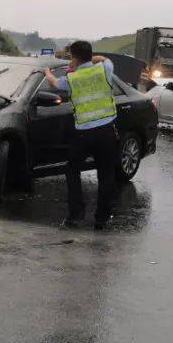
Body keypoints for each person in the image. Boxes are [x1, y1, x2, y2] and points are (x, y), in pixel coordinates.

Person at [43, 40, 119, 229]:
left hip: (84, 134)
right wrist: (90, 59)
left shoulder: (71, 78)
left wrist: (47, 73)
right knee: (107, 175)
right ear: (90, 55)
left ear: (73, 58)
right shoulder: (104, 69)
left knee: (72, 170)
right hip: (107, 131)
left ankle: (75, 215)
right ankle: (102, 219)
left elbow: (54, 84)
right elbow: (105, 59)